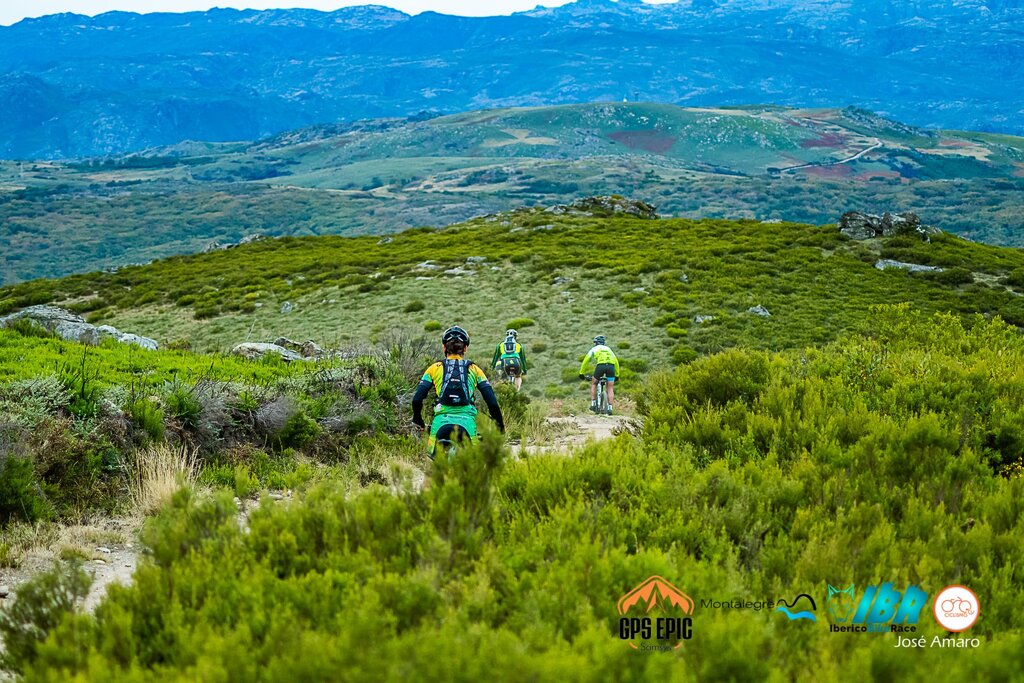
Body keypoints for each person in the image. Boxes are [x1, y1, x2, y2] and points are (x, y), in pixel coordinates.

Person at [412, 325, 504, 457]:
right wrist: (500, 429)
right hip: (467, 425)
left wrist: (418, 420)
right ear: (465, 348)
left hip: (440, 425)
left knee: (432, 469)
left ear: (444, 347)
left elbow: (416, 399)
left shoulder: (433, 368)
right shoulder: (475, 369)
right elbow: (493, 403)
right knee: (474, 466)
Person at [578, 335, 620, 415]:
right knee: (610, 387)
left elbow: (586, 360)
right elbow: (616, 362)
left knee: (594, 383)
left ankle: (593, 404)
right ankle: (610, 408)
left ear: (595, 343)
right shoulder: (609, 349)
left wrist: (581, 373)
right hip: (611, 366)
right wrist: (617, 375)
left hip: (600, 366)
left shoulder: (594, 349)